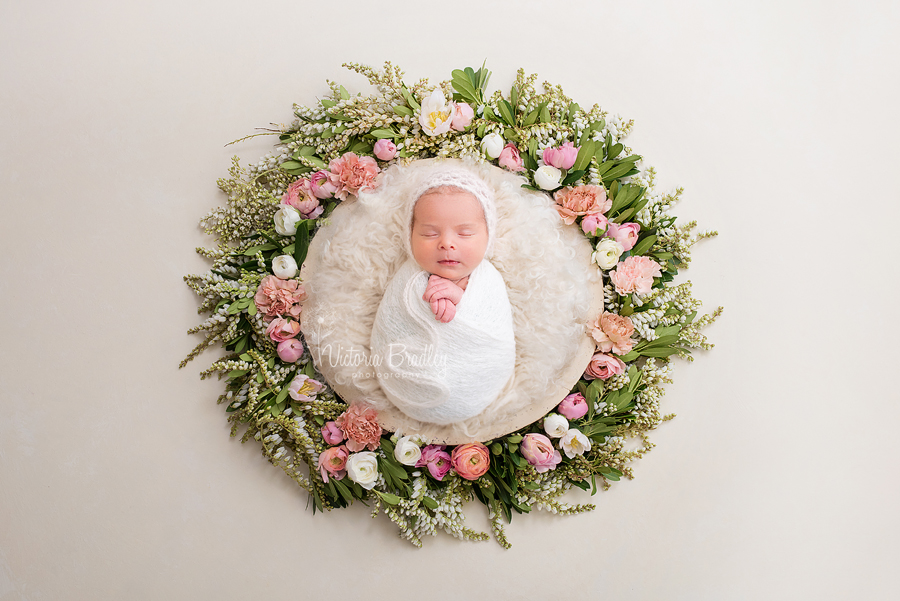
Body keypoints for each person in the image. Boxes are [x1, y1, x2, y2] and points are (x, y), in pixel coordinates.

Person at [369, 166, 516, 426]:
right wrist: (424, 304)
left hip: (475, 382)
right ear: (410, 235)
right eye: (430, 233)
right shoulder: (408, 277)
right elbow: (394, 323)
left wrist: (461, 297)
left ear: (487, 236)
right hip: (409, 383)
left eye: (465, 233)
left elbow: (493, 326)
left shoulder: (488, 279)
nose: (447, 243)